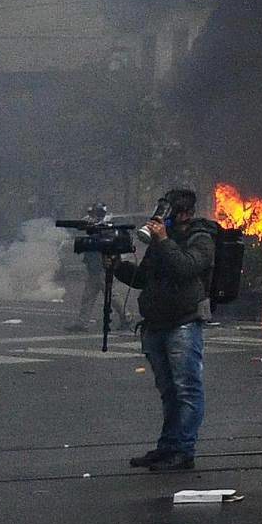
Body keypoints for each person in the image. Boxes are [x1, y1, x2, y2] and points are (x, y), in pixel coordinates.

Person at [110, 188, 217, 469]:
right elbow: (143, 278)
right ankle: (167, 446)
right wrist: (117, 266)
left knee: (187, 390)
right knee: (168, 390)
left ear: (184, 213)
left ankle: (184, 450)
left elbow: (187, 267)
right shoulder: (160, 241)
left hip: (183, 322)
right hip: (156, 323)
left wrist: (165, 240)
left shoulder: (201, 237)